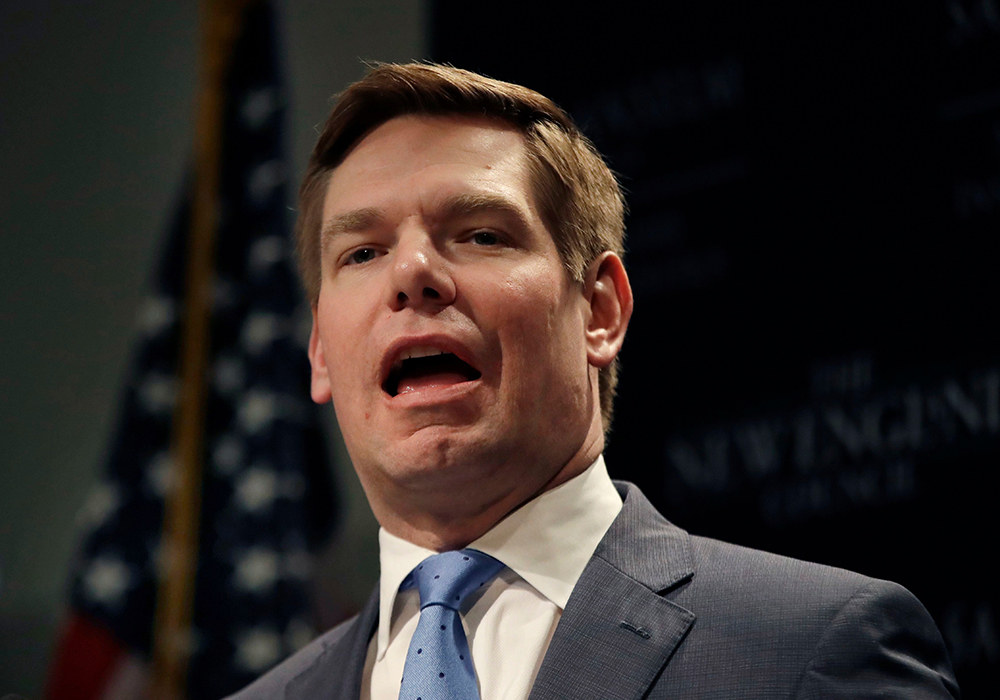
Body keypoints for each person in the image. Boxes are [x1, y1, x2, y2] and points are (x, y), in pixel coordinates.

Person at [230, 63, 960, 699]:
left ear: (599, 312)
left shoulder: (815, 649)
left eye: (482, 234)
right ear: (321, 350)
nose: (413, 272)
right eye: (362, 252)